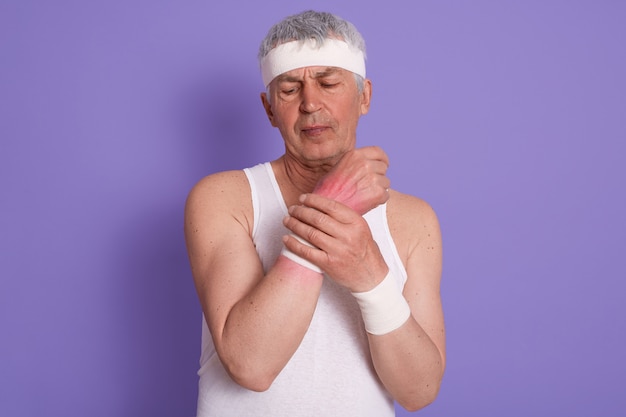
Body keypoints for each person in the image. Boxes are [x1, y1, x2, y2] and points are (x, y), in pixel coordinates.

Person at [184, 10, 445, 416]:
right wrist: (333, 203)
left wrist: (370, 274)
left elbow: (419, 390)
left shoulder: (414, 221)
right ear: (269, 109)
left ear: (364, 96)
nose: (310, 103)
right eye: (289, 89)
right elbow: (251, 365)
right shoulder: (224, 198)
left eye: (328, 83)